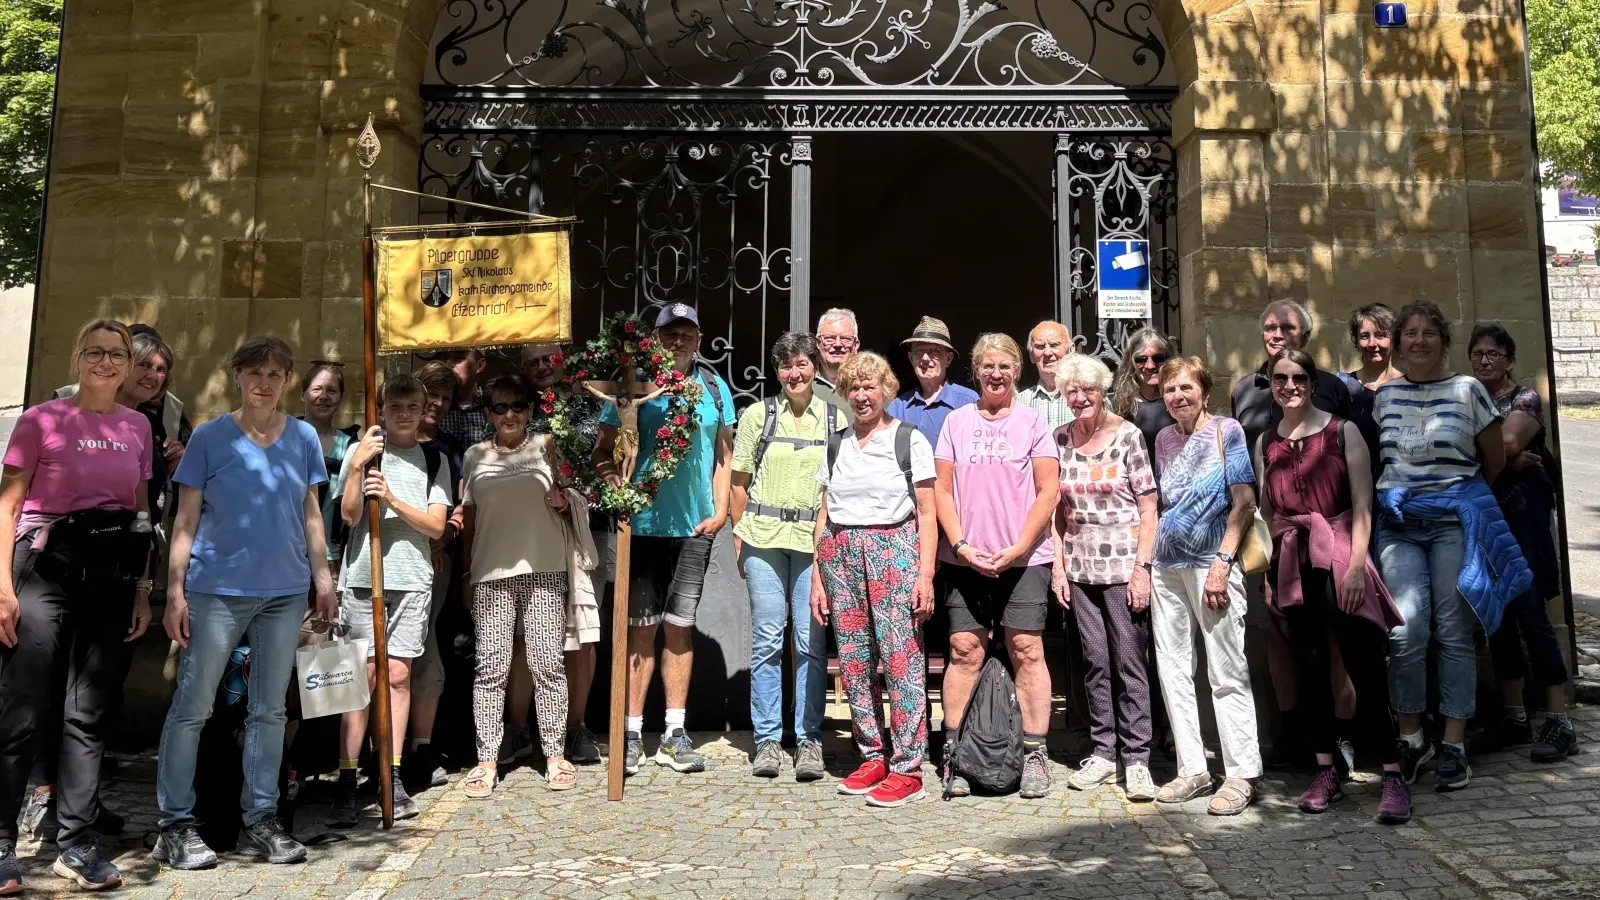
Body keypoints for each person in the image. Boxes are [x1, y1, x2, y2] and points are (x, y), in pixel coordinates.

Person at [155, 335, 336, 870]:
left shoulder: (303, 436)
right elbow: (185, 520)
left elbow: (310, 513)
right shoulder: (210, 437)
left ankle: (260, 821)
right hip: (217, 591)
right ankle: (175, 825)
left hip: (284, 592)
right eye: (254, 372)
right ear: (237, 376)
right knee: (193, 708)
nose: (263, 382)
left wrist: (322, 578)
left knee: (270, 712)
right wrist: (174, 591)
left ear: (287, 381)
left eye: (275, 374)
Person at [0, 319, 154, 892]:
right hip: (43, 573)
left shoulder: (137, 427)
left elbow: (141, 517)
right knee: (21, 708)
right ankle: (0, 843)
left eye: (118, 355)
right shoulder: (40, 420)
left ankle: (77, 845)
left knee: (86, 716)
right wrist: (3, 589)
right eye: (96, 351)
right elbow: (8, 506)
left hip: (110, 579)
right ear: (77, 357)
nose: (107, 363)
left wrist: (142, 588)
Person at [1376, 301, 1531, 792]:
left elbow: (1492, 459)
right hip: (1398, 525)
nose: (1419, 341)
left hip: (1452, 526)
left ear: (1443, 342)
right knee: (1404, 632)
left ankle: (1455, 745)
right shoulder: (1383, 396)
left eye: (1429, 333)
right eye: (1410, 333)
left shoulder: (1466, 391)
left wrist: (1452, 496)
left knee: (1452, 631)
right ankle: (1413, 737)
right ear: (1397, 343)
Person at [1254, 349, 1411, 823]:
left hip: (1340, 555)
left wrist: (1358, 566)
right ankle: (1326, 770)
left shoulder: (1343, 431)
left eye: (1298, 377)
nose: (1289, 386)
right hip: (1290, 564)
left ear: (1312, 380)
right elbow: (1266, 514)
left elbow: (1364, 506)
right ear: (1271, 383)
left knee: (1364, 668)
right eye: (1279, 378)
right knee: (1307, 670)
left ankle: (1392, 774)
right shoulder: (1266, 441)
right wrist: (1267, 575)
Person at [592, 303, 735, 775]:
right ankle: (631, 731)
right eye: (669, 333)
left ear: (699, 338)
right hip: (643, 527)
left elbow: (724, 456)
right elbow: (602, 453)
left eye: (686, 333)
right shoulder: (632, 384)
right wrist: (617, 488)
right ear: (654, 338)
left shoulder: (713, 388)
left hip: (694, 527)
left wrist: (719, 513)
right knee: (639, 630)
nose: (678, 341)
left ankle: (675, 731)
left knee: (680, 626)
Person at [934, 333, 1060, 799]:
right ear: (975, 370)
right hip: (966, 558)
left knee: (1026, 648)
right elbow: (941, 490)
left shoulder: (1032, 423)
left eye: (1005, 365)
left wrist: (1019, 547)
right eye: (988, 365)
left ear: (1016, 371)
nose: (996, 373)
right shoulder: (956, 422)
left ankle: (1034, 755)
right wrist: (962, 545)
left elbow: (1049, 491)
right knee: (965, 649)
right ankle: (956, 755)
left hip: (1024, 560)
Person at [1230, 299, 1354, 769]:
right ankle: (1293, 733)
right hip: (1271, 536)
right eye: (1269, 327)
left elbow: (1352, 455)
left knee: (1335, 638)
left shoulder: (1333, 389)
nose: (1277, 333)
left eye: (1287, 326)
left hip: (1329, 533)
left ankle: (1342, 735)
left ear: (1306, 335)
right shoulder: (1245, 389)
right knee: (1277, 638)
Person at [811, 352, 938, 807]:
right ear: (845, 395)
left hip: (893, 552)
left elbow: (927, 512)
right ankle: (872, 755)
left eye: (871, 387)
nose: (862, 396)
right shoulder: (836, 443)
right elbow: (824, 514)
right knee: (854, 659)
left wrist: (926, 574)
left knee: (901, 659)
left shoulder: (909, 439)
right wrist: (818, 579)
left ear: (886, 391)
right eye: (854, 389)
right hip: (840, 555)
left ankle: (908, 766)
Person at [327, 374, 452, 825]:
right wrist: (359, 469)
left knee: (398, 675)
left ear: (423, 410)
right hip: (363, 577)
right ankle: (346, 775)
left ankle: (390, 773)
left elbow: (437, 527)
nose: (403, 413)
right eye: (395, 405)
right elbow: (349, 515)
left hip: (411, 578)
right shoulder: (364, 453)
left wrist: (394, 500)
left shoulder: (433, 459)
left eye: (412, 406)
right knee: (361, 679)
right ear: (382, 409)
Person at [1148, 356, 1262, 815]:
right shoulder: (1162, 439)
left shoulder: (1227, 431)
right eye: (1170, 389)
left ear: (1204, 393)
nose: (1178, 396)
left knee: (1225, 669)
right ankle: (1192, 768)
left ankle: (1240, 772)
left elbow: (1245, 503)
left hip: (1212, 564)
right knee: (1173, 669)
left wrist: (1222, 563)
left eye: (1186, 388)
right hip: (1167, 565)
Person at [460, 374, 580, 798]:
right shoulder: (474, 455)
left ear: (530, 410)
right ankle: (486, 760)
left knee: (547, 664)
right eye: (499, 407)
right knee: (490, 668)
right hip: (490, 575)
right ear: (489, 414)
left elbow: (575, 501)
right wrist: (465, 575)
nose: (509, 414)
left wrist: (565, 502)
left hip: (544, 569)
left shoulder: (548, 447)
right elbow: (469, 523)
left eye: (517, 406)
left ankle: (555, 755)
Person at [1049, 353, 1159, 802]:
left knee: (1129, 663)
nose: (1079, 399)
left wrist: (1142, 570)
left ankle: (1137, 759)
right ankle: (1103, 750)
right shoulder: (1059, 439)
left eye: (1087, 390)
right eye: (1071, 391)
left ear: (1103, 390)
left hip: (1123, 566)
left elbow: (1149, 506)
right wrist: (1058, 567)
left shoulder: (1128, 435)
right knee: (1095, 662)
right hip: (1079, 567)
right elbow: (1056, 512)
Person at [1469, 324, 1576, 761]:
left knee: (1531, 611)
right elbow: (1468, 452)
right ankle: (1513, 716)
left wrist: (1503, 455)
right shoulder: (1468, 398)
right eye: (1477, 354)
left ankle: (1558, 719)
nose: (1485, 361)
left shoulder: (1525, 399)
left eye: (1494, 354)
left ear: (1510, 361)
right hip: (1486, 520)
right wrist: (1505, 460)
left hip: (1523, 520)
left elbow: (1508, 440)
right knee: (1497, 617)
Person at [731, 332, 835, 781]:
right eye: (787, 365)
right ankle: (768, 741)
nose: (795, 373)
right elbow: (738, 482)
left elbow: (838, 486)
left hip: (813, 543)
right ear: (777, 372)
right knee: (768, 642)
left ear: (815, 367)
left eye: (803, 364)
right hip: (763, 539)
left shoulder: (834, 416)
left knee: (811, 644)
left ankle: (809, 739)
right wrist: (739, 540)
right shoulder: (758, 415)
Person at [521, 342, 606, 765]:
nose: (541, 368)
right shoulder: (514, 408)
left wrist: (571, 495)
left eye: (547, 360)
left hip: (582, 530)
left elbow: (604, 463)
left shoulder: (590, 408)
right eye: (532, 363)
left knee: (581, 635)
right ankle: (521, 729)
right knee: (524, 636)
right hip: (526, 535)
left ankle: (576, 726)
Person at [401, 360, 466, 790]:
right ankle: (381, 750)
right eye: (433, 394)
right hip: (386, 559)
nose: (438, 403)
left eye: (446, 397)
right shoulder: (383, 441)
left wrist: (443, 540)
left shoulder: (449, 450)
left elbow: (460, 506)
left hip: (434, 559)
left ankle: (419, 749)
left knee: (423, 645)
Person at [300, 362, 359, 570]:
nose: (324, 396)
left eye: (332, 390)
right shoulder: (283, 439)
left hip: (333, 558)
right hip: (288, 556)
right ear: (303, 395)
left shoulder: (351, 446)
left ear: (341, 397)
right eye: (316, 389)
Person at [886, 316, 978, 445]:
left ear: (949, 359)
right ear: (911, 358)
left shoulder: (968, 401)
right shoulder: (899, 407)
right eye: (919, 351)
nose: (925, 358)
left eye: (934, 351)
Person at [1338, 304, 1400, 459]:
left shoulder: (1410, 385)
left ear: (1394, 339)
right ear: (1356, 341)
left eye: (1380, 335)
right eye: (1365, 336)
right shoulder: (1342, 385)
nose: (1372, 343)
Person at [1110, 327, 1177, 466]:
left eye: (1158, 358)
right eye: (1141, 359)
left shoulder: (1180, 399)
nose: (1150, 366)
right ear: (1131, 363)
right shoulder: (1117, 404)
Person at [1018, 321, 1075, 429]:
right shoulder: (1019, 403)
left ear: (1070, 350)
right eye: (1040, 346)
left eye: (1054, 345)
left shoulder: (1087, 399)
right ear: (1031, 355)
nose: (1047, 353)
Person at [813, 308, 860, 422]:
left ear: (856, 345)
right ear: (818, 343)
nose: (838, 344)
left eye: (845, 339)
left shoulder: (870, 387)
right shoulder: (803, 384)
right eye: (829, 339)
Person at [439, 348, 492, 447]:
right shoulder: (436, 407)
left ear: (480, 365)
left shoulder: (491, 406)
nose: (449, 363)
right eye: (445, 357)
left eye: (458, 358)